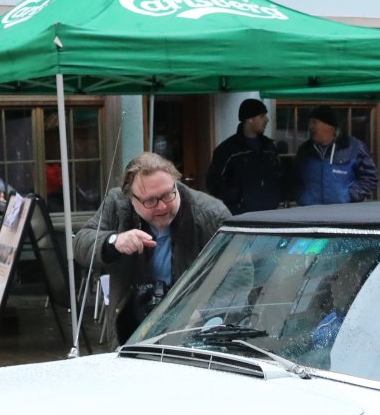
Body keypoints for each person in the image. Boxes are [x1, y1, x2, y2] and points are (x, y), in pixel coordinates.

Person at [77, 152, 231, 348]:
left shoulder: (212, 214)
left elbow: (239, 274)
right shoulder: (116, 203)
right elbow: (81, 242)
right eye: (150, 201)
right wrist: (113, 241)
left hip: (193, 329)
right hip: (131, 325)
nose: (162, 207)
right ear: (131, 199)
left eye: (167, 195)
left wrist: (205, 312)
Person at [205, 98, 285, 214]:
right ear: (250, 119)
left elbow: (281, 176)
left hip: (271, 213)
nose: (267, 120)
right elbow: (212, 182)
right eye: (262, 116)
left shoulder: (270, 148)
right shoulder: (227, 150)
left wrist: (279, 197)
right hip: (241, 215)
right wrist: (235, 197)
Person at [293, 105, 377, 205]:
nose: (310, 127)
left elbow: (370, 177)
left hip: (344, 212)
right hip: (309, 211)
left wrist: (350, 196)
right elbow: (294, 179)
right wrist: (302, 197)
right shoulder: (304, 150)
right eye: (309, 123)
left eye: (314, 122)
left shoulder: (354, 147)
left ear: (329, 125)